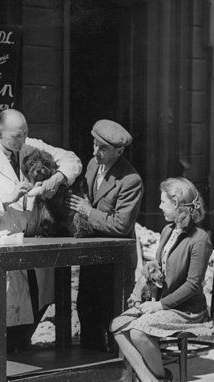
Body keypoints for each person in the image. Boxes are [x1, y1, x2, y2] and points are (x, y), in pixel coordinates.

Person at [0, 109, 82, 349]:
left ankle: (23, 353)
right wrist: (8, 197)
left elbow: (72, 160)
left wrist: (55, 179)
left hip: (34, 237)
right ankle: (11, 358)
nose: (23, 140)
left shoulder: (30, 146)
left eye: (26, 133)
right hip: (4, 241)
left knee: (38, 299)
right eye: (17, 136)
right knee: (11, 307)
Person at [110, 177, 214, 382]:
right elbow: (159, 269)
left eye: (163, 201)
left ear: (178, 205)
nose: (159, 206)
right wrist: (140, 292)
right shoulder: (168, 230)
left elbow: (192, 285)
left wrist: (158, 305)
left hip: (188, 310)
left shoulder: (200, 239)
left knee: (137, 330)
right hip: (162, 302)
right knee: (117, 325)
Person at [66, 119, 143, 352]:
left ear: (119, 151)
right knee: (86, 309)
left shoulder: (130, 180)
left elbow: (121, 225)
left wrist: (88, 211)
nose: (95, 152)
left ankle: (117, 372)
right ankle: (93, 366)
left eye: (102, 148)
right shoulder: (92, 165)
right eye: (94, 144)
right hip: (93, 255)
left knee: (112, 314)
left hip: (115, 261)